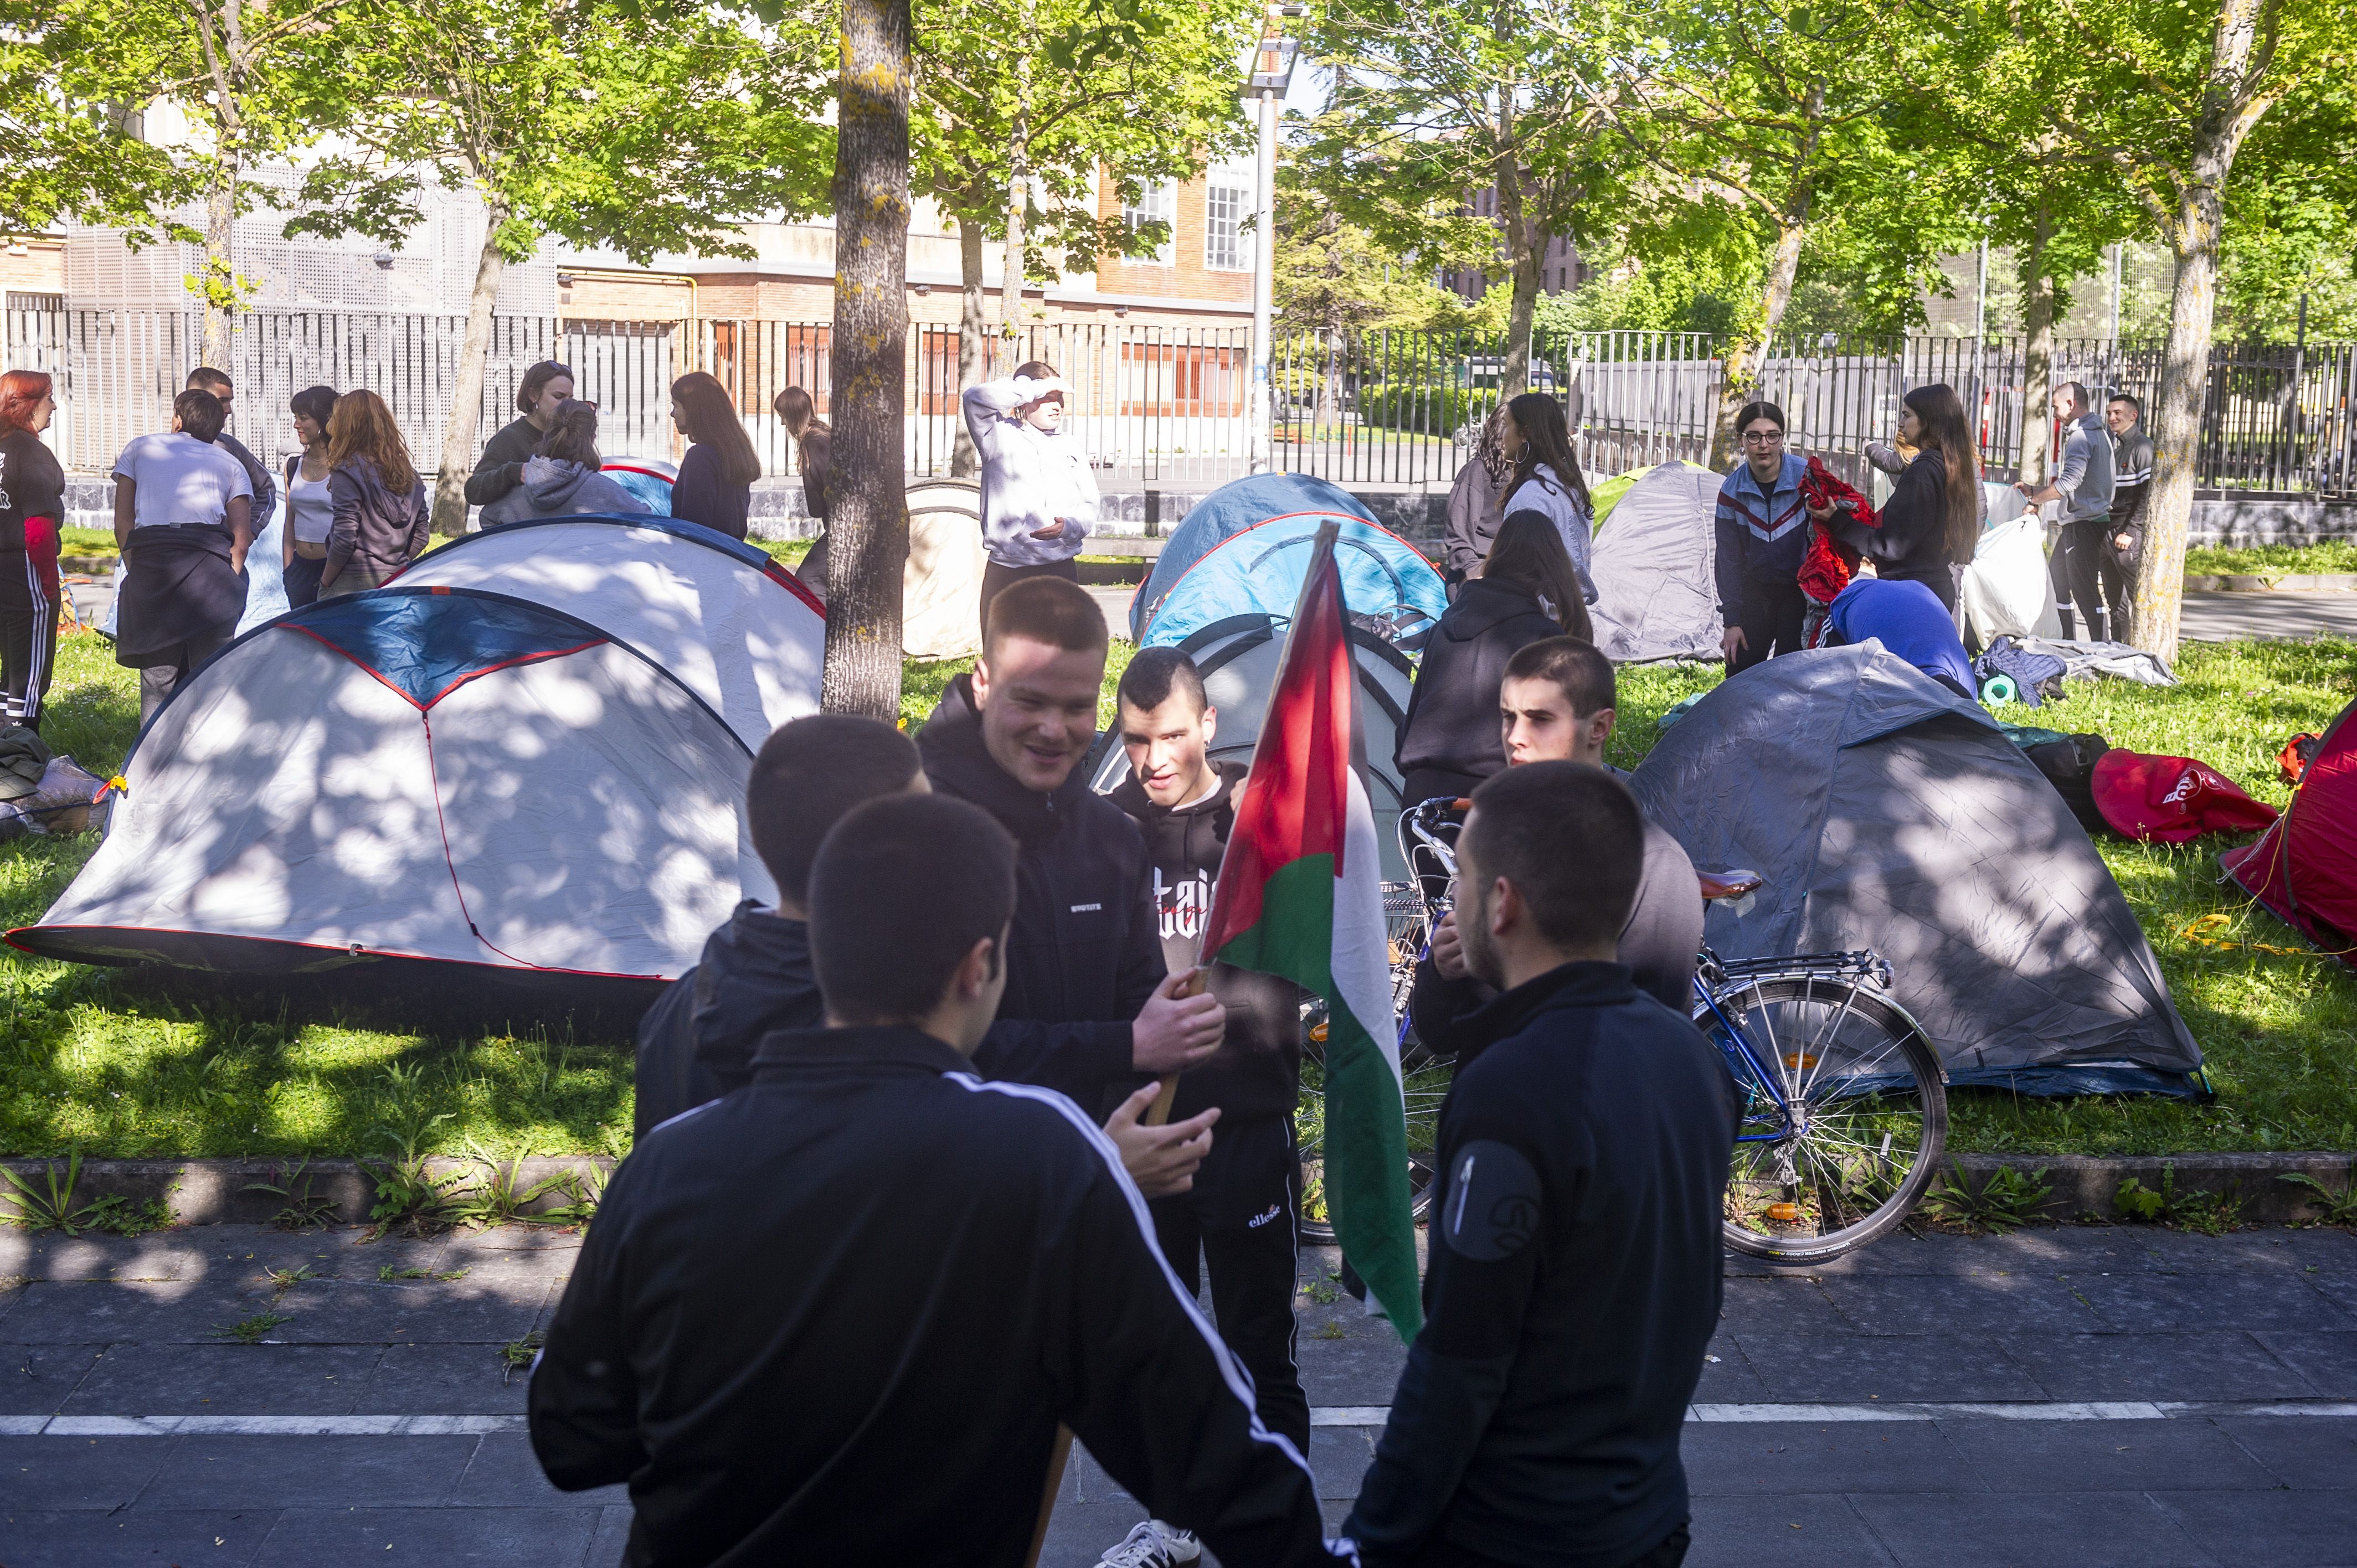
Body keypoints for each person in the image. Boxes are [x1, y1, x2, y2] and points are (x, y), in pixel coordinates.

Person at [529, 791, 1341, 1568]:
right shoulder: (1039, 1160)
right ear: (980, 967)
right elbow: (1206, 1448)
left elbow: (572, 1438)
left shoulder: (666, 1164)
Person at [1342, 762, 1733, 1568]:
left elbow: (1460, 1361)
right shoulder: (1692, 1059)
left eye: (1462, 881)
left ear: (1503, 902)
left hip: (1520, 1534)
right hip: (1649, 1511)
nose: (1452, 903)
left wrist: (1369, 1542)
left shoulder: (1516, 1087)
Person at [637, 712, 1222, 1198]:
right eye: (926, 821)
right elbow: (900, 1225)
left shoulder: (672, 1013)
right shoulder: (870, 1035)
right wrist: (1101, 1171)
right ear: (867, 855)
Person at [1102, 647, 1310, 1568]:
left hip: (1246, 1120)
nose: (1154, 760)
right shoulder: (1106, 830)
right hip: (1148, 1127)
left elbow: (1317, 938)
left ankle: (1284, 1530)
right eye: (1138, 740)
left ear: (1208, 726)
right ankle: (1178, 1521)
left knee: (1259, 1342)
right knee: (1161, 1342)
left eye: (1173, 737)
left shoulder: (1259, 820)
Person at [918, 575, 1226, 1118]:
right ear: (983, 684)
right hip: (959, 1174)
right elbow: (921, 1047)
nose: (1054, 730)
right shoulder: (917, 831)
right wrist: (1122, 1047)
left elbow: (1143, 1009)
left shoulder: (1113, 837)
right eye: (1031, 701)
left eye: (1077, 707)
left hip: (1095, 1168)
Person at [1411, 636, 1704, 1043]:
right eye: (1508, 717)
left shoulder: (1651, 860)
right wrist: (1443, 973)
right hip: (1497, 1092)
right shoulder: (1491, 835)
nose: (1516, 736)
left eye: (1540, 719)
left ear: (1599, 727)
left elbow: (1649, 1036)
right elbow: (1437, 1035)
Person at [1396, 508, 1594, 807]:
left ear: (1497, 556)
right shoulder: (1543, 637)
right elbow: (1562, 747)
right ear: (1549, 567)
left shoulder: (1442, 629)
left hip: (1422, 802)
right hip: (1498, 803)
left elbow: (1407, 730)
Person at [110, 388, 253, 720]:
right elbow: (241, 540)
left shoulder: (140, 449)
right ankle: (209, 757)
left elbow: (123, 524)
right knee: (209, 681)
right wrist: (226, 577)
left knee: (158, 681)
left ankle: (151, 763)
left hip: (153, 569)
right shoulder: (231, 463)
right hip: (212, 577)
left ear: (177, 419)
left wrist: (137, 568)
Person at [1820, 383, 1980, 612]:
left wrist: (1835, 519)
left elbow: (1890, 546)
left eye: (1907, 415)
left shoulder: (1923, 473)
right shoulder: (1951, 466)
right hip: (1932, 591)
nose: (1900, 424)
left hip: (1911, 596)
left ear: (1928, 420)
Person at [963, 360, 1099, 627]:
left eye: (1059, 397)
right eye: (1047, 398)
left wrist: (1069, 527)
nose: (1057, 405)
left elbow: (1090, 503)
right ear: (1025, 400)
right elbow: (974, 398)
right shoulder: (998, 434)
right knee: (1004, 663)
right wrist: (1031, 388)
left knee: (1058, 660)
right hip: (1008, 573)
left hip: (1059, 570)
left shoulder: (1069, 444)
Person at [2020, 381, 2121, 641]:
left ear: (2071, 404)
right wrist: (2035, 489)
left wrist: (2036, 500)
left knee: (2084, 590)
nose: (2054, 413)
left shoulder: (2080, 437)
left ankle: (2101, 648)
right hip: (2081, 522)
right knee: (2058, 584)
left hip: (2085, 523)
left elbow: (2068, 483)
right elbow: (2081, 483)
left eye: (2056, 407)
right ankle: (2066, 641)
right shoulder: (2097, 434)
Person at [1714, 400, 1810, 672]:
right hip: (1754, 595)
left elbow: (1833, 537)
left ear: (1782, 438)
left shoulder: (1808, 477)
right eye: (1754, 436)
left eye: (1772, 435)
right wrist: (1732, 622)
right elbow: (1728, 561)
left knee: (1792, 676)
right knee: (1739, 674)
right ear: (1741, 440)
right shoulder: (1731, 492)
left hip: (1800, 595)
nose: (1764, 445)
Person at [320, 390, 431, 599]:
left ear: (346, 425)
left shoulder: (347, 470)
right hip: (397, 582)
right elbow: (422, 535)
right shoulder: (409, 475)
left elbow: (345, 538)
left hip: (351, 583)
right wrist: (396, 565)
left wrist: (325, 582)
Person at [0, 370, 64, 729]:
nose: (53, 406)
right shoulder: (32, 454)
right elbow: (38, 530)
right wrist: (48, 587)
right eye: (49, 398)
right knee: (29, 678)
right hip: (27, 578)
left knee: (9, 671)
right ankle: (22, 758)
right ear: (27, 405)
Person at [1495, 391, 1597, 604]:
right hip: (1570, 618)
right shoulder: (1569, 487)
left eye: (1506, 425)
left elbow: (1517, 580)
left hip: (1537, 626)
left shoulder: (1531, 500)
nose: (1502, 435)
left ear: (1525, 433)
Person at [480, 400, 650, 524]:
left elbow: (487, 518)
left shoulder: (513, 498)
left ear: (548, 432)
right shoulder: (606, 491)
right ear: (592, 438)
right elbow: (649, 521)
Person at [1822, 577, 1977, 699]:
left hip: (1919, 592)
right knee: (1827, 682)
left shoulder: (1968, 691)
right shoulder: (1887, 674)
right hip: (1855, 597)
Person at [465, 360, 574, 512]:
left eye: (570, 399)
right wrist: (513, 473)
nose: (567, 405)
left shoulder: (569, 437)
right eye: (559, 397)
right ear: (533, 395)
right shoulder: (509, 438)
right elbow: (473, 490)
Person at [668, 372, 759, 539]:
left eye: (676, 406)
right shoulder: (733, 452)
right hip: (731, 557)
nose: (672, 413)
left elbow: (694, 528)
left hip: (704, 560)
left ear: (693, 410)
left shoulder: (700, 457)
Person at [186, 368, 276, 533]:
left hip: (218, 552)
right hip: (166, 551)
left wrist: (248, 532)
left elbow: (266, 490)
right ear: (195, 398)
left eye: (230, 401)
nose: (228, 410)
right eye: (222, 401)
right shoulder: (157, 452)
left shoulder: (230, 448)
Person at [279, 384, 339, 609]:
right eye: (296, 417)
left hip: (336, 572)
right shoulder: (293, 465)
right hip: (300, 571)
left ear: (325, 422)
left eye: (303, 418)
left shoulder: (344, 466)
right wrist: (289, 570)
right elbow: (290, 519)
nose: (297, 425)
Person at [1442, 409, 1510, 589]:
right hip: (1476, 578)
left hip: (1510, 575)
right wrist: (1474, 570)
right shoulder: (1476, 471)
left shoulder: (1526, 475)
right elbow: (1458, 531)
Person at [774, 385, 831, 597]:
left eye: (783, 416)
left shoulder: (814, 442)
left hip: (839, 531)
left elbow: (821, 501)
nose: (782, 423)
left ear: (794, 415)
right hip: (838, 528)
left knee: (807, 585)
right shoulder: (821, 435)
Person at [2105, 391, 2153, 625]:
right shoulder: (2117, 448)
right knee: (2116, 603)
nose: (2112, 418)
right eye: (2109, 414)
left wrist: (2131, 531)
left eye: (2118, 413)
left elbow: (2147, 494)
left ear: (2134, 415)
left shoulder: (2143, 447)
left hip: (2127, 535)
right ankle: (2118, 650)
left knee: (2139, 598)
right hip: (2110, 531)